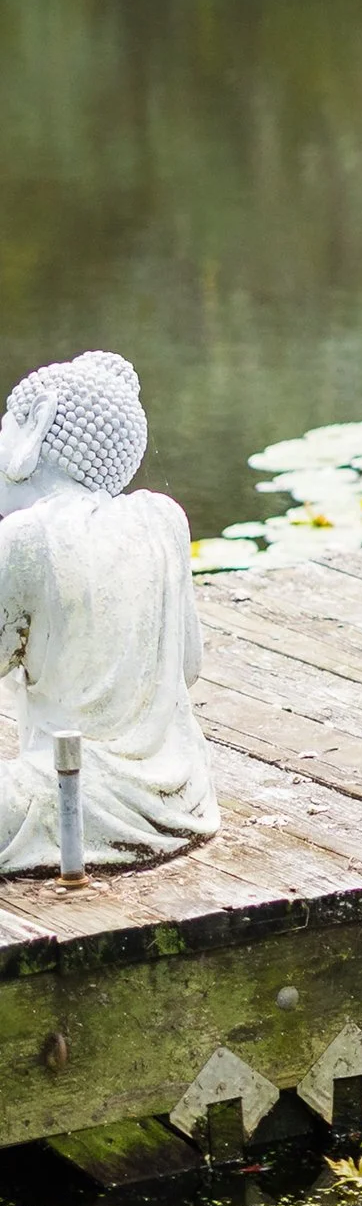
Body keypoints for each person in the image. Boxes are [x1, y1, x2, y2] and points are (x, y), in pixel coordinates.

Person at [1, 352, 219, 874]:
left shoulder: (26, 538)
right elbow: (189, 666)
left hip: (68, 796)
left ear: (34, 431)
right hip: (182, 795)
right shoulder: (163, 519)